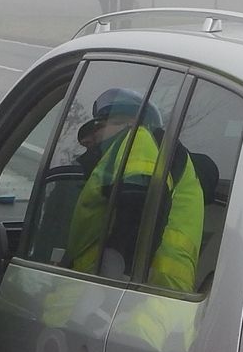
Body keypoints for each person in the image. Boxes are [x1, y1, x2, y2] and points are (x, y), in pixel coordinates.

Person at [66, 87, 203, 292]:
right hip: (151, 293)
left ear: (129, 123)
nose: (90, 138)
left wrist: (105, 289)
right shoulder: (133, 152)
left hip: (138, 295)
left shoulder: (136, 139)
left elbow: (137, 208)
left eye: (99, 125)